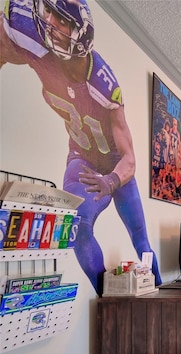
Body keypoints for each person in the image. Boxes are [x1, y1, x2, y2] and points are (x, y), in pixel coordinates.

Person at [1, 0, 162, 293]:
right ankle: (109, 299)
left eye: (62, 20)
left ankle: (160, 294)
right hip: (81, 157)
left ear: (81, 31)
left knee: (140, 237)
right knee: (76, 225)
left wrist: (112, 180)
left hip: (113, 163)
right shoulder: (27, 32)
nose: (50, 22)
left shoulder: (103, 84)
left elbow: (129, 160)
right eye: (48, 12)